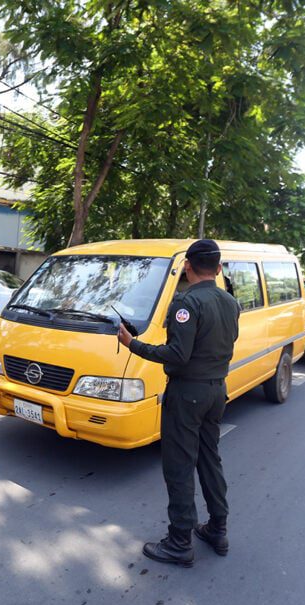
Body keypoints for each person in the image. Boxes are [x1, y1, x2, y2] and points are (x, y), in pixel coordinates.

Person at [116, 239, 240, 567]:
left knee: (180, 465)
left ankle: (180, 541)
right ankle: (218, 529)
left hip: (187, 395)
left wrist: (133, 344)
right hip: (216, 390)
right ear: (218, 268)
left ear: (187, 267)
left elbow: (178, 355)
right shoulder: (230, 302)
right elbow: (229, 340)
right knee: (210, 459)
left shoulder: (186, 303)